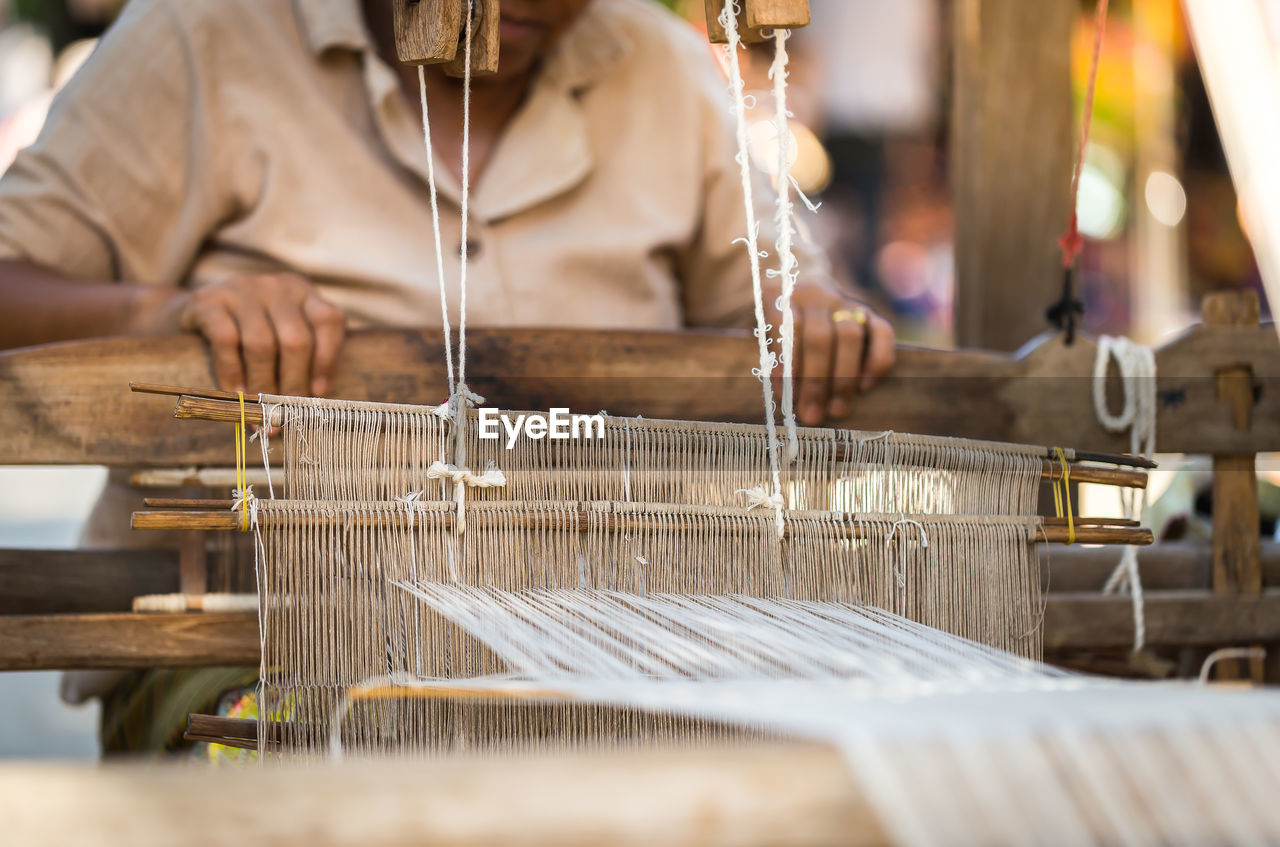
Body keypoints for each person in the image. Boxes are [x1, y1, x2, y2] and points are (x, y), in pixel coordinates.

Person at [0, 0, 896, 752]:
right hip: (252, 636)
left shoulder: (658, 66)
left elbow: (788, 296)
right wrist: (161, 314)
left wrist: (816, 317)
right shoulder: (205, 38)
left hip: (610, 637)